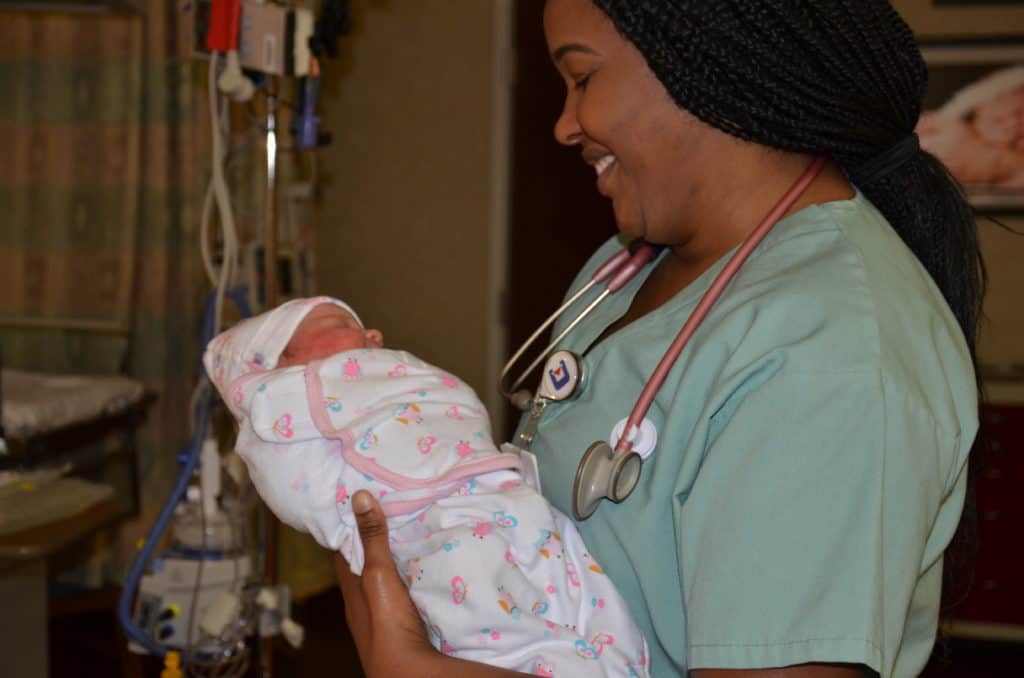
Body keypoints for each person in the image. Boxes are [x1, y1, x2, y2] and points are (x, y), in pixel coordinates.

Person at [336, 1, 984, 677]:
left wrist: (413, 668)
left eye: (582, 79)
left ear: (710, 61)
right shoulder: (621, 269)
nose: (563, 125)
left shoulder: (832, 356)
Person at [203, 297, 651, 677]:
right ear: (285, 361)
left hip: (506, 498)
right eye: (342, 325)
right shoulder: (296, 399)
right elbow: (299, 489)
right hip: (436, 528)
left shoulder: (395, 379)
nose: (374, 335)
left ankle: (606, 657)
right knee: (480, 593)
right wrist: (344, 523)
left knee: (572, 579)